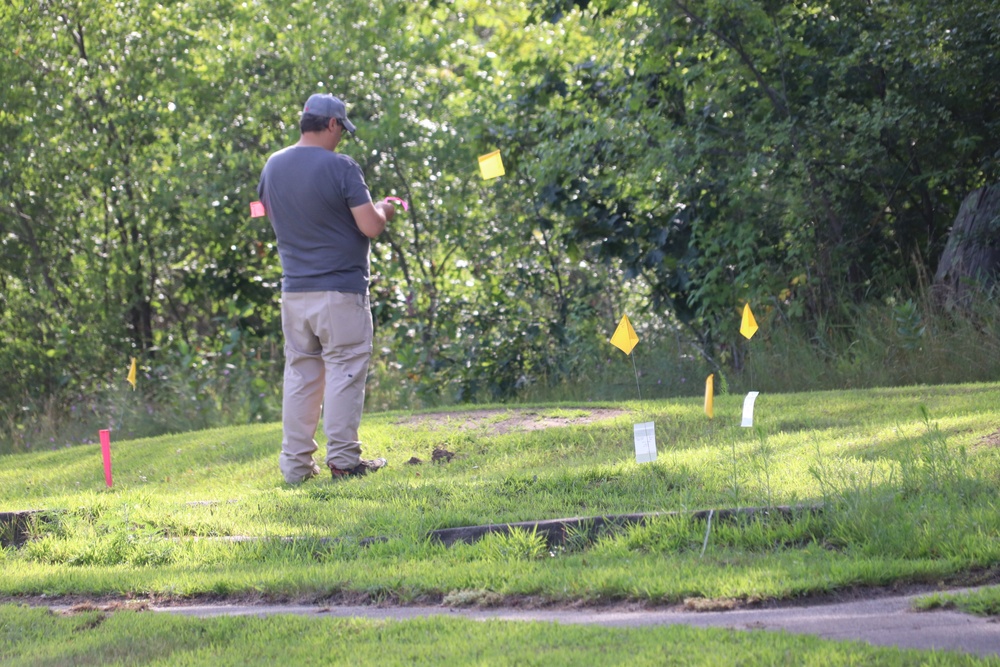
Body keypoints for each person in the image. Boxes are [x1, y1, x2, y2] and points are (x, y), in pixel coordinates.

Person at [257, 93, 396, 483]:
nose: (342, 139)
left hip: (294, 291)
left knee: (301, 377)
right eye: (342, 130)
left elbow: (275, 214)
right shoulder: (341, 167)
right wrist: (385, 207)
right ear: (332, 124)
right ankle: (344, 462)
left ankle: (296, 468)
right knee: (345, 370)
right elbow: (369, 226)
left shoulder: (273, 165)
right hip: (339, 292)